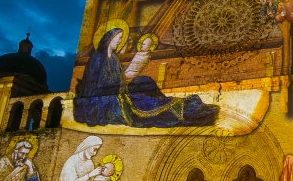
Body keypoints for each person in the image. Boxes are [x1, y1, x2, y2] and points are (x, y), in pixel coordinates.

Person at [73, 28, 218, 128]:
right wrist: (121, 78)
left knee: (145, 81)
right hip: (106, 100)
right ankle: (182, 110)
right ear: (109, 39)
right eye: (118, 38)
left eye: (120, 38)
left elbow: (119, 72)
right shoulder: (97, 58)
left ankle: (172, 102)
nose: (119, 41)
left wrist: (129, 71)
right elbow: (96, 84)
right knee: (143, 105)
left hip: (119, 90)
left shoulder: (114, 58)